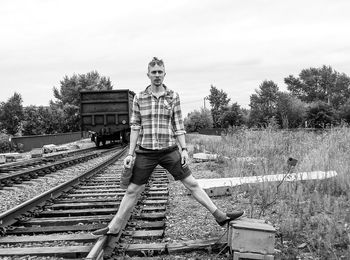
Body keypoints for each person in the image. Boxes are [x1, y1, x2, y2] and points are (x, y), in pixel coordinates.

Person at [92, 57, 244, 236]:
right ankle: (114, 227)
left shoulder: (173, 96)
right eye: (153, 72)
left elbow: (178, 126)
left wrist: (184, 149)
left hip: (169, 150)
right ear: (148, 74)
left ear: (165, 74)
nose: (157, 75)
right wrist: (130, 153)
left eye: (160, 72)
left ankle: (219, 215)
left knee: (192, 183)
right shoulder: (139, 98)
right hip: (146, 152)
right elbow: (135, 127)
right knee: (133, 189)